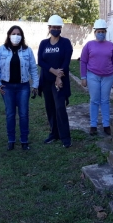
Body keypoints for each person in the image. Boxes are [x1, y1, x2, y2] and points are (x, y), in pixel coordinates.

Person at [0, 25, 39, 151]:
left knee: (24, 114)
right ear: (9, 35)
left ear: (22, 36)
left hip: (23, 86)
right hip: (7, 87)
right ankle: (11, 140)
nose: (16, 36)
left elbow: (33, 68)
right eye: (13, 33)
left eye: (18, 34)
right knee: (10, 114)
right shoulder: (1, 50)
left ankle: (24, 140)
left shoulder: (27, 50)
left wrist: (35, 84)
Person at [80, 19, 113, 136]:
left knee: (105, 101)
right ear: (95, 32)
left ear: (105, 32)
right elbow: (83, 61)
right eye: (99, 31)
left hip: (108, 77)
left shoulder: (111, 45)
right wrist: (83, 77)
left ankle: (106, 125)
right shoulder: (89, 45)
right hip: (92, 76)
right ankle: (93, 125)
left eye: (103, 31)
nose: (101, 33)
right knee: (94, 100)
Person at [38, 15, 73, 148]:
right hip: (47, 80)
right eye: (53, 27)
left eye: (58, 27)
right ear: (49, 28)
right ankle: (54, 133)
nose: (56, 29)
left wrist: (59, 76)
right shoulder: (43, 43)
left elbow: (66, 60)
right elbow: (40, 61)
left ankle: (65, 137)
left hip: (60, 81)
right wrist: (53, 71)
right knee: (50, 107)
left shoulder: (65, 43)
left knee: (60, 107)